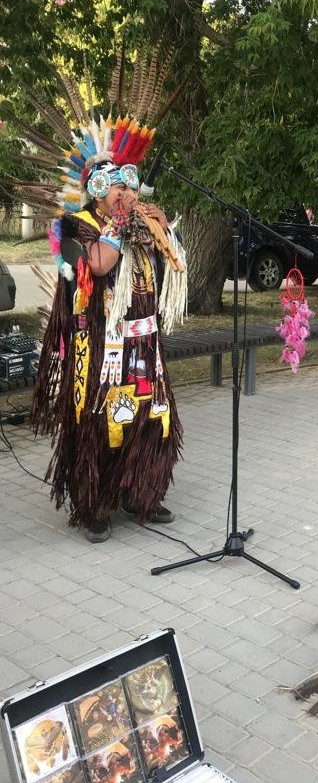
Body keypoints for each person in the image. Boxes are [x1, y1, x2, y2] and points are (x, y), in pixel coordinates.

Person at [22, 56, 188, 543]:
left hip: (144, 339)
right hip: (97, 345)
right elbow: (97, 266)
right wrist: (120, 226)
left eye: (127, 187)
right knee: (98, 421)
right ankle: (95, 505)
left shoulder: (137, 222)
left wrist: (160, 229)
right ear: (97, 192)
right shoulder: (70, 228)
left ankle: (143, 493)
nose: (124, 194)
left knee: (151, 418)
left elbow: (172, 267)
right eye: (116, 188)